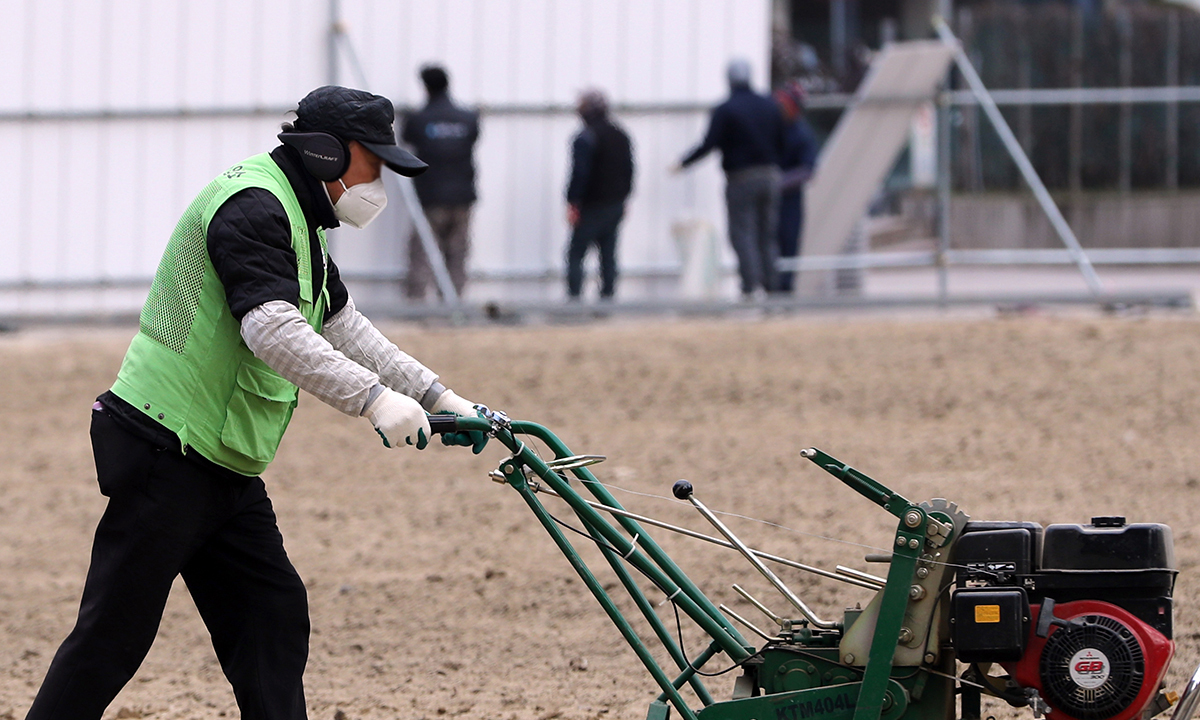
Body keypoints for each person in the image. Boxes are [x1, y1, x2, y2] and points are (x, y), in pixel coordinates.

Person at [24, 85, 489, 720]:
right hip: (167, 449)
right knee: (113, 635)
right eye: (371, 161)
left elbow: (343, 325)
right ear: (327, 155)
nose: (378, 178)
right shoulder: (252, 206)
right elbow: (270, 327)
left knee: (271, 616)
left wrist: (441, 395)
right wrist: (374, 402)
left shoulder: (302, 221)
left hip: (221, 461)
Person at [675, 58, 787, 299]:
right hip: (770, 175)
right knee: (767, 234)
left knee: (742, 232)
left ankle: (750, 286)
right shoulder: (770, 105)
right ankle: (773, 287)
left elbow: (710, 144)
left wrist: (684, 162)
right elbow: (782, 140)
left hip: (741, 178)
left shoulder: (726, 109)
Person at [401, 64, 480, 301]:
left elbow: (406, 138)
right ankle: (453, 305)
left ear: (425, 87)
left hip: (430, 197)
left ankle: (417, 305)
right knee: (457, 253)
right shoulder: (467, 118)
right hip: (462, 197)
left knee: (423, 252)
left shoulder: (419, 118)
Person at [564, 89, 635, 301]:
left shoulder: (585, 137)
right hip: (614, 204)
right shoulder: (621, 135)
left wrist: (573, 202)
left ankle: (575, 298)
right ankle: (608, 297)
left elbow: (580, 174)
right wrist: (625, 198)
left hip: (590, 206)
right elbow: (629, 170)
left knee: (576, 253)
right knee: (608, 254)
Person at [773, 80, 820, 293]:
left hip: (789, 200)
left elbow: (808, 170)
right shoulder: (768, 128)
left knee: (788, 245)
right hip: (768, 199)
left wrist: (779, 183)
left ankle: (784, 292)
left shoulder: (801, 133)